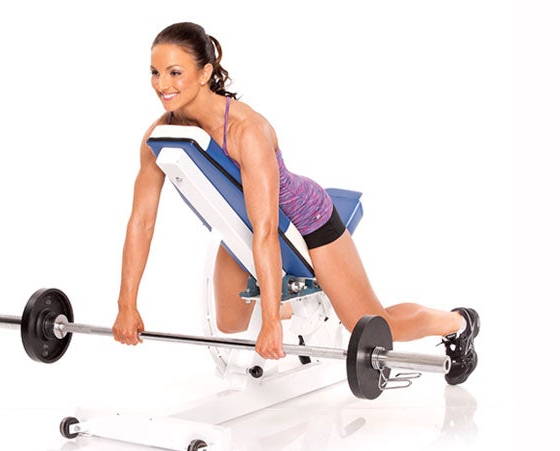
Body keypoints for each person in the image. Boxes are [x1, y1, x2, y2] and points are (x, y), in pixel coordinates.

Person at [111, 21, 478, 383]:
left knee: (370, 324)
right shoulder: (160, 135)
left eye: (175, 72)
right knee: (231, 323)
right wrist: (126, 305)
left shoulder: (246, 131)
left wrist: (271, 322)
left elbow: (268, 229)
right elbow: (141, 223)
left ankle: (459, 322)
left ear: (205, 73)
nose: (162, 85)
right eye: (155, 73)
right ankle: (295, 307)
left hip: (307, 220)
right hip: (242, 224)